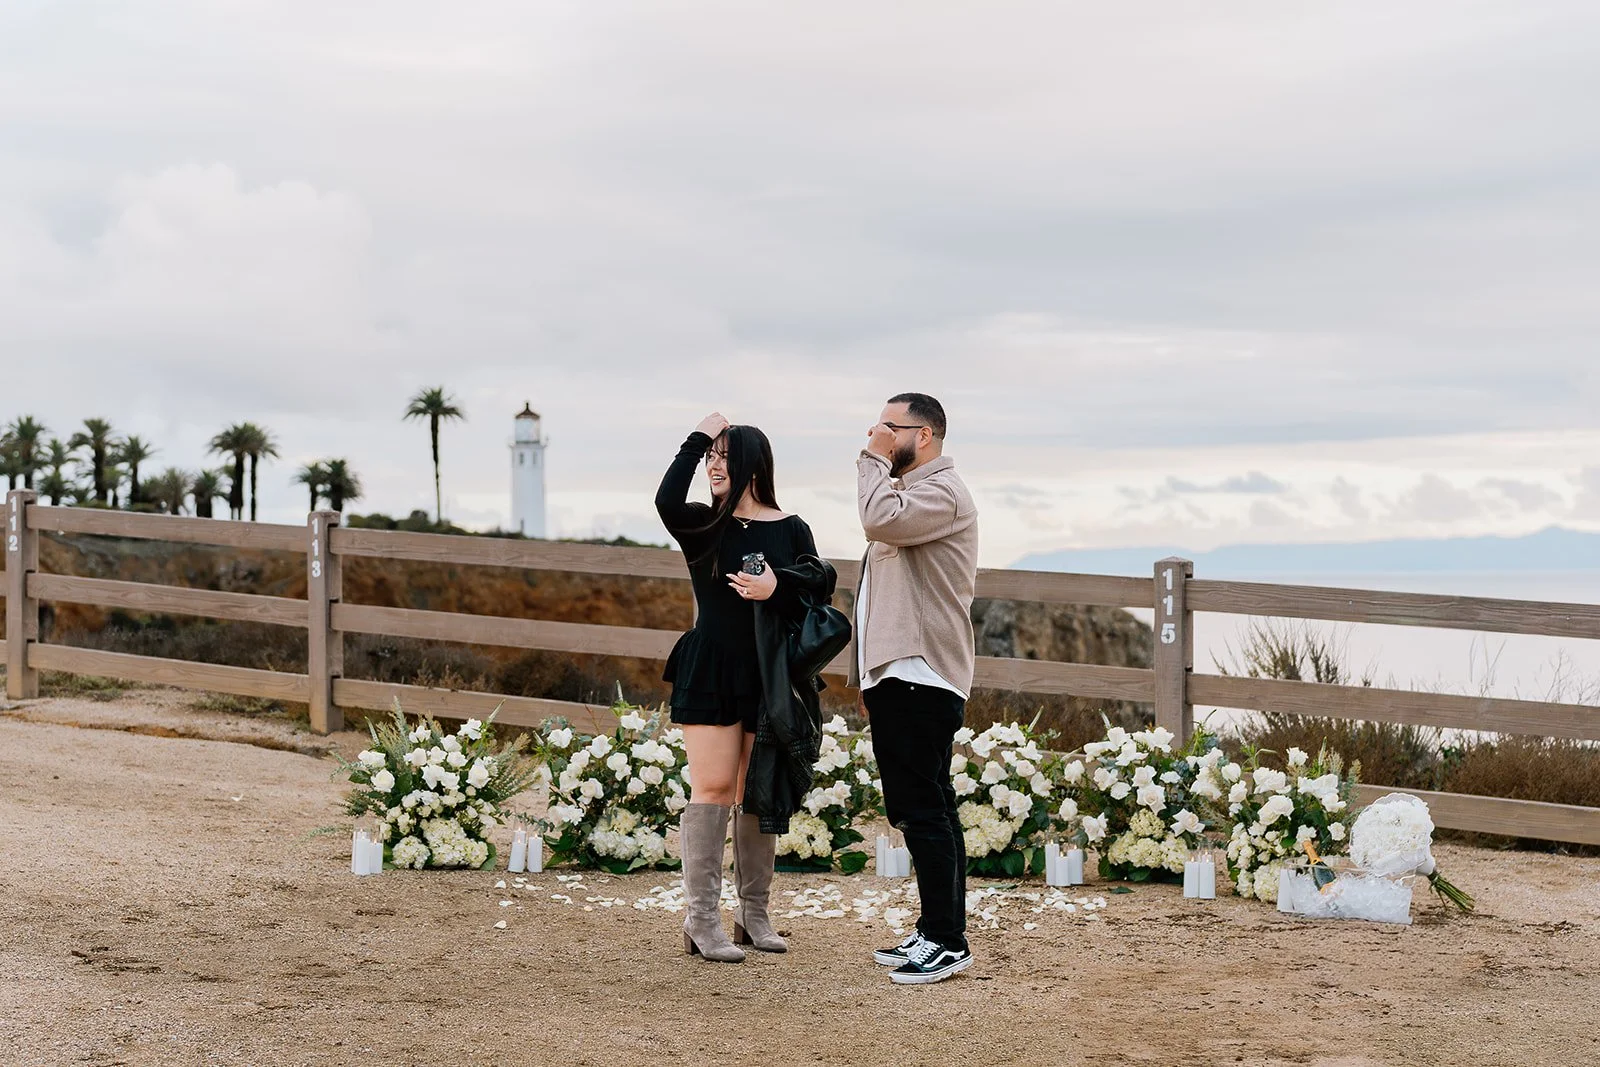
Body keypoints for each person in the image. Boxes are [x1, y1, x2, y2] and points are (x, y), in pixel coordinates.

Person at [655, 412, 832, 963]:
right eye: (711, 457)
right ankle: (701, 919)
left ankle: (753, 914)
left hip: (769, 674)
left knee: (756, 794)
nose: (713, 465)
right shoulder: (703, 525)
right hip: (710, 668)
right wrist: (698, 436)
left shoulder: (792, 527)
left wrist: (775, 586)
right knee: (711, 789)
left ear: (753, 464)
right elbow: (664, 500)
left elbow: (817, 586)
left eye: (724, 456)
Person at [852, 392, 980, 985]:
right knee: (925, 804)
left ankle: (948, 941)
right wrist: (868, 672)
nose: (878, 433)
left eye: (888, 426)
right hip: (897, 673)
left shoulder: (941, 492)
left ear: (922, 435)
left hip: (922, 672)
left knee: (922, 807)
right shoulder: (911, 493)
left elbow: (877, 520)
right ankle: (936, 930)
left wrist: (869, 458)